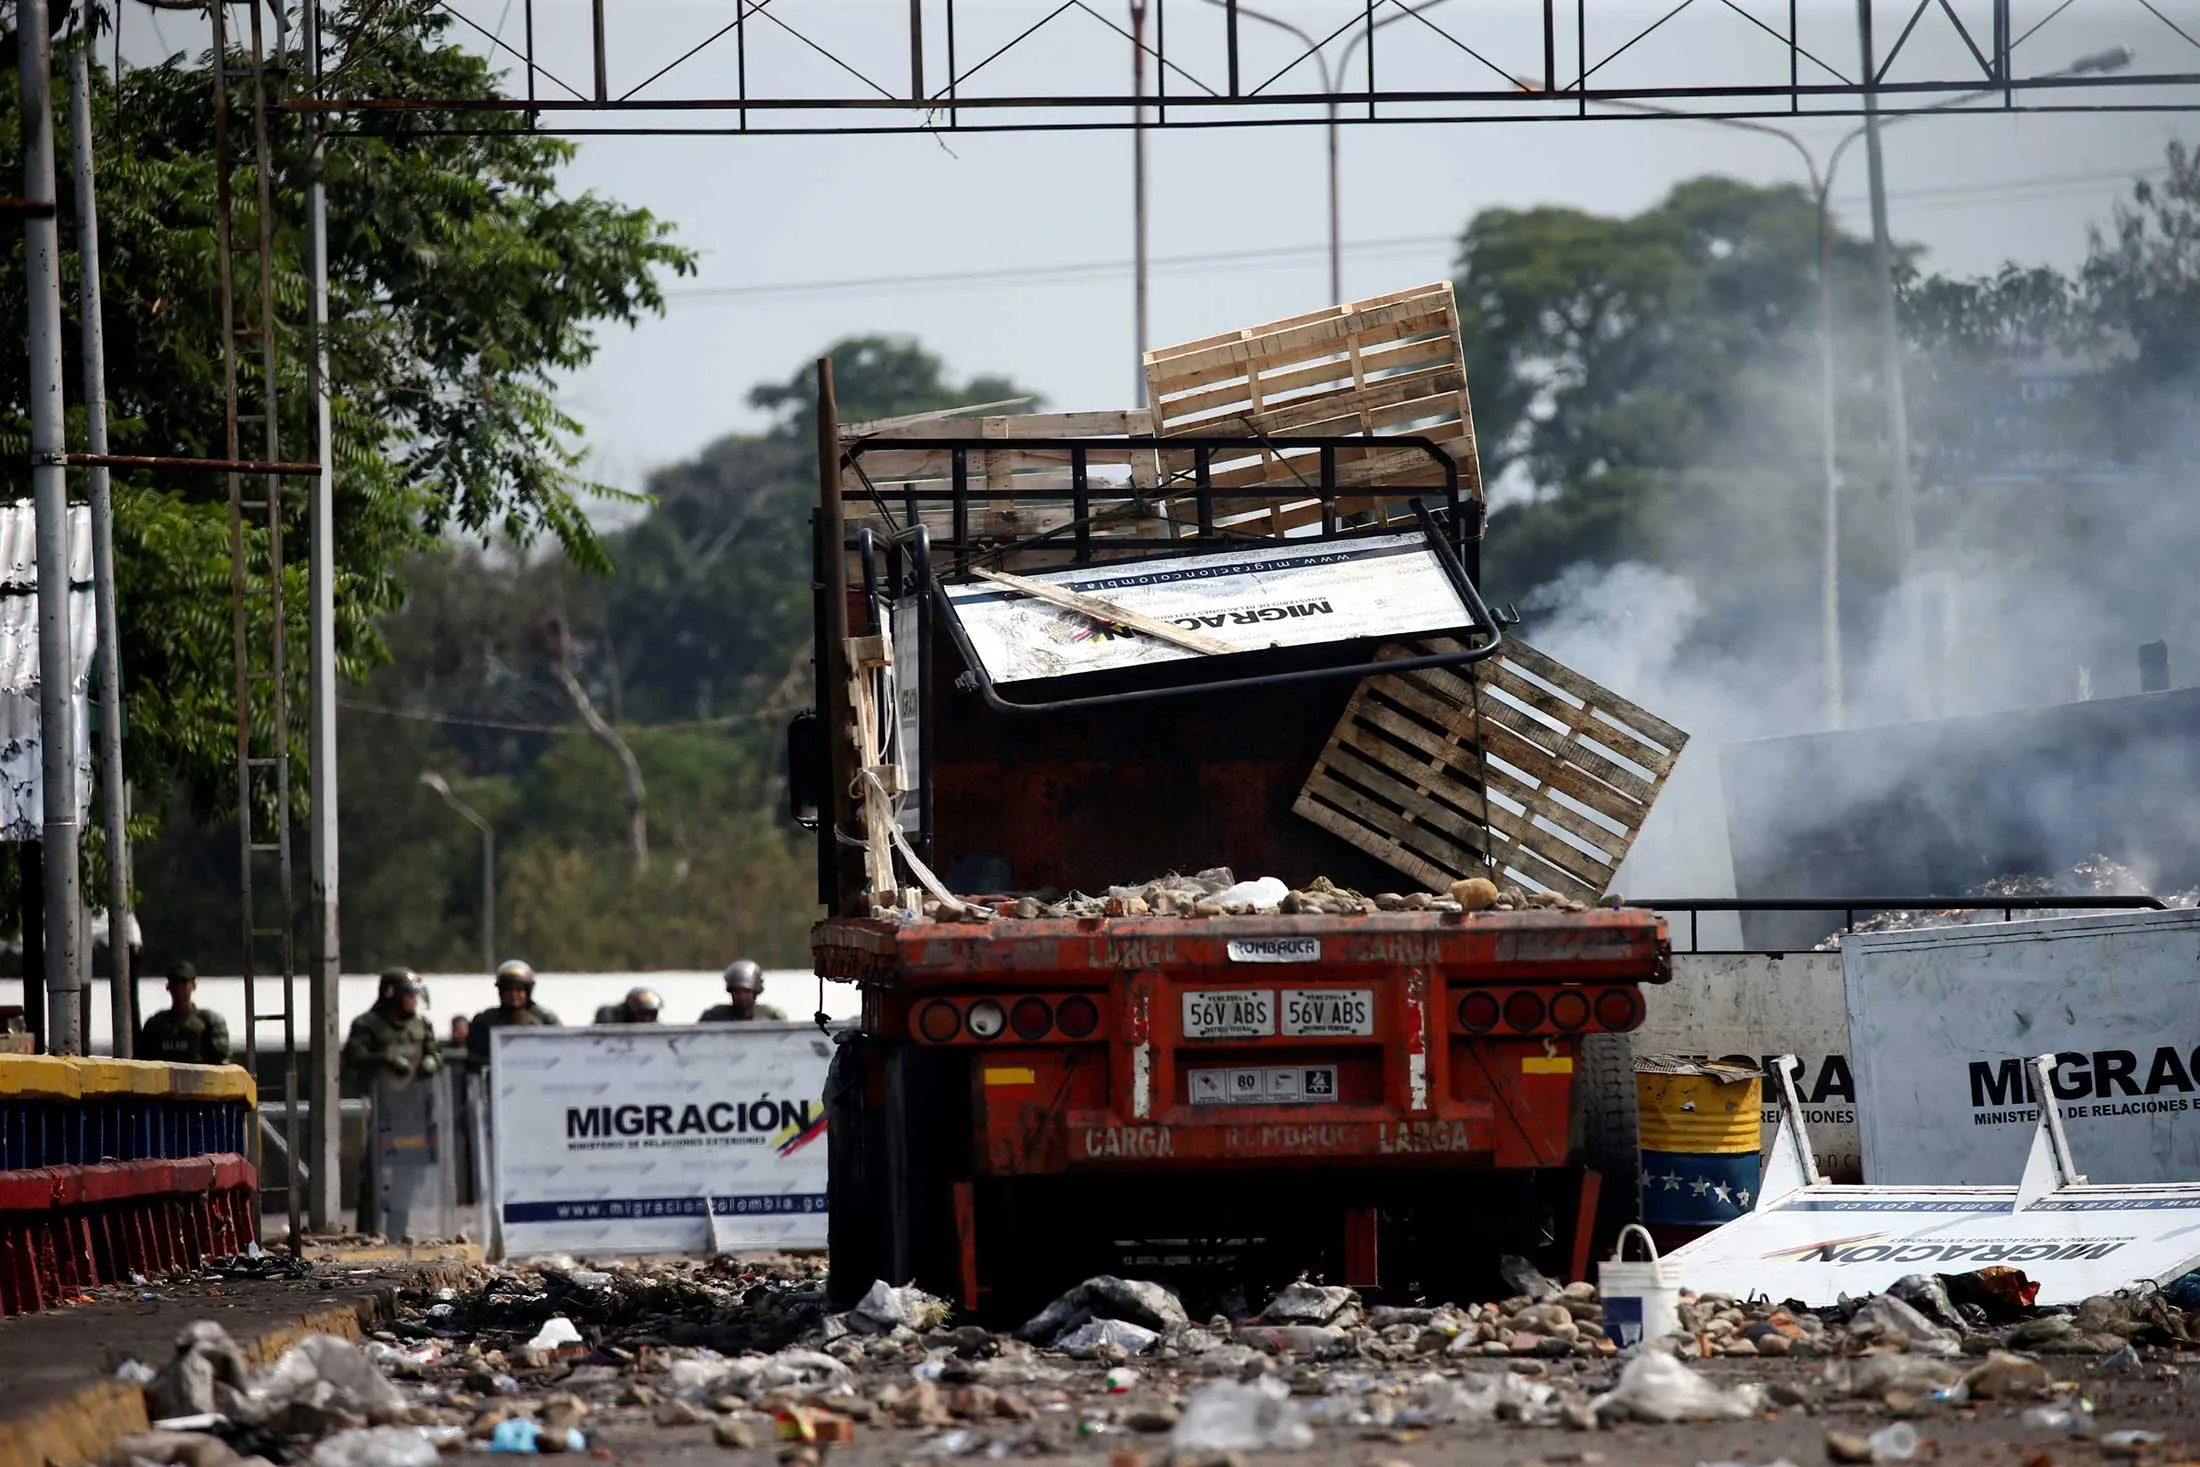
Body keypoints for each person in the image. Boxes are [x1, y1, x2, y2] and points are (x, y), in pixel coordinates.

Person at [343, 969, 442, 1083]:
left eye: (416, 994)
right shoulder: (367, 1024)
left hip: (416, 1092)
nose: (415, 1000)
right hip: (378, 1092)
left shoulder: (422, 1024)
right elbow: (355, 1058)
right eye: (410, 994)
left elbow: (435, 1052)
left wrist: (433, 1060)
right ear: (393, 994)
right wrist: (386, 1060)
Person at [467, 959, 560, 1068]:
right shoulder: (484, 1022)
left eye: (519, 990)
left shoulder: (545, 1021)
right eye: (508, 990)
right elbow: (473, 1057)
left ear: (528, 992)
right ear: (501, 992)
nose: (513, 995)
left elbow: (559, 1054)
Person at [138, 962, 233, 1064]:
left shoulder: (209, 1022)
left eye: (183, 982)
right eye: (174, 982)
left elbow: (222, 1064)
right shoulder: (155, 1025)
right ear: (168, 987)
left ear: (193, 985)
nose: (179, 987)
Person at [700, 960, 785, 1022]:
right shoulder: (716, 1017)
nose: (742, 996)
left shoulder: (770, 1017)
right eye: (737, 992)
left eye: (746, 992)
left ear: (755, 992)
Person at [593, 986, 662, 1024]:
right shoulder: (611, 1017)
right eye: (642, 1014)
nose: (647, 1018)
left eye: (650, 1014)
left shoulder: (655, 1030)